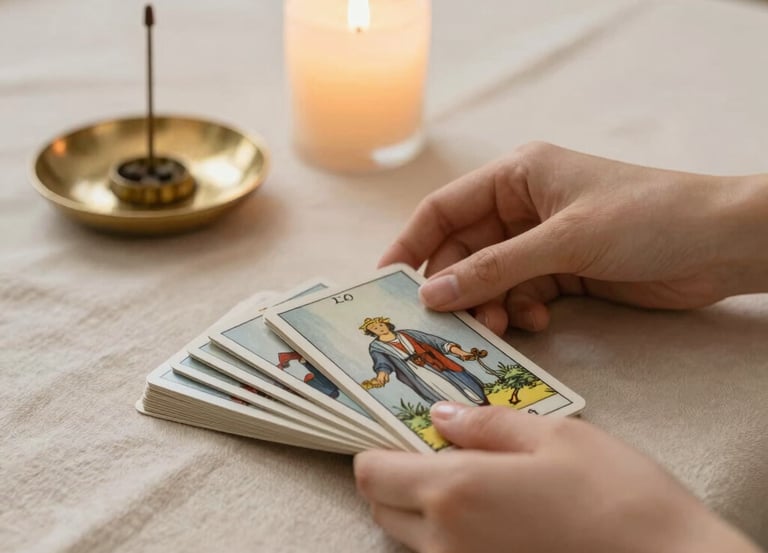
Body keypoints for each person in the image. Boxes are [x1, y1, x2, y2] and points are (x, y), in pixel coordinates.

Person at [353, 143, 767, 553]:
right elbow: (386, 368)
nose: (379, 326)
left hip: (446, 367)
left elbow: (442, 343)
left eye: (379, 322)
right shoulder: (383, 349)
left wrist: (650, 537)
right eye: (374, 326)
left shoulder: (416, 335)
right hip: (424, 379)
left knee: (472, 391)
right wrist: (728, 224)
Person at [360, 316, 490, 406]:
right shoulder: (376, 347)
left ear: (386, 324)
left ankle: (484, 405)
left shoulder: (407, 334)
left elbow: (435, 342)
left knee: (468, 387)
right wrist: (382, 375)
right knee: (439, 393)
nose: (380, 328)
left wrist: (461, 353)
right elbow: (382, 363)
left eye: (380, 325)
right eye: (375, 328)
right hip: (414, 373)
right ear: (371, 332)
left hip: (436, 364)